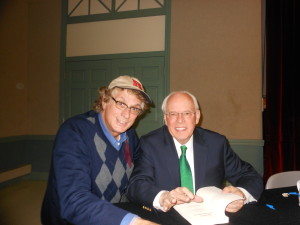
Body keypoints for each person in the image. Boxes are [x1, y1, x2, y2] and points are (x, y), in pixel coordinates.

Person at [41, 75, 159, 225]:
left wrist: (162, 194)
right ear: (104, 101)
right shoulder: (75, 132)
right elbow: (73, 201)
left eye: (134, 108)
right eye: (121, 103)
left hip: (115, 213)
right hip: (72, 220)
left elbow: (141, 170)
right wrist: (134, 222)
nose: (127, 114)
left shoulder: (130, 136)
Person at [126, 91, 264, 213]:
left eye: (186, 113)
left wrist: (241, 194)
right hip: (168, 218)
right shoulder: (150, 143)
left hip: (210, 218)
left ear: (197, 116)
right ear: (165, 119)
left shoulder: (216, 143)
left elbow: (250, 176)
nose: (180, 120)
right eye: (173, 114)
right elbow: (136, 184)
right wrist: (163, 197)